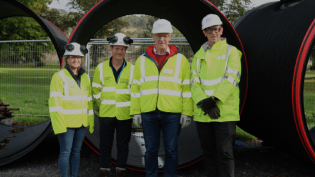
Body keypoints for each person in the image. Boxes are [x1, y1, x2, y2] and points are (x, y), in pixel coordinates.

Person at [130, 19, 193, 177]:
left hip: (172, 113)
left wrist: (187, 112)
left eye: (165, 35)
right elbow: (135, 88)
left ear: (170, 36)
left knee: (171, 149)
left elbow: (186, 88)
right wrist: (135, 111)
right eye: (158, 35)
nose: (161, 39)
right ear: (153, 37)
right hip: (148, 112)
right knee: (150, 149)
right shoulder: (142, 61)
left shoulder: (181, 60)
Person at [190, 14, 242, 177]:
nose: (214, 32)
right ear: (204, 32)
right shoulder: (199, 55)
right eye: (210, 30)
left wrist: (214, 100)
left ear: (221, 30)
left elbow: (232, 78)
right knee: (209, 154)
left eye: (216, 29)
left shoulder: (231, 52)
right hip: (204, 112)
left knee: (225, 154)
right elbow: (194, 82)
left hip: (224, 112)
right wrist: (203, 103)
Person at [49, 42, 94, 177]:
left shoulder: (85, 76)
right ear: (67, 59)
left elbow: (89, 100)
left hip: (81, 123)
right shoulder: (59, 76)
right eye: (72, 57)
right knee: (65, 152)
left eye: (79, 57)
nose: (76, 60)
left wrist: (90, 121)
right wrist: (59, 125)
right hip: (66, 124)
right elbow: (54, 103)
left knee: (76, 152)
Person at [92, 33, 134, 177]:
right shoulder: (101, 67)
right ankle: (104, 168)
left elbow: (135, 91)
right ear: (111, 49)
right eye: (116, 48)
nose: (119, 52)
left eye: (122, 49)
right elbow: (96, 89)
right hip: (106, 113)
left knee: (123, 144)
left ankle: (121, 169)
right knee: (105, 144)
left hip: (125, 113)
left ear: (125, 51)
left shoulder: (133, 69)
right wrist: (102, 104)